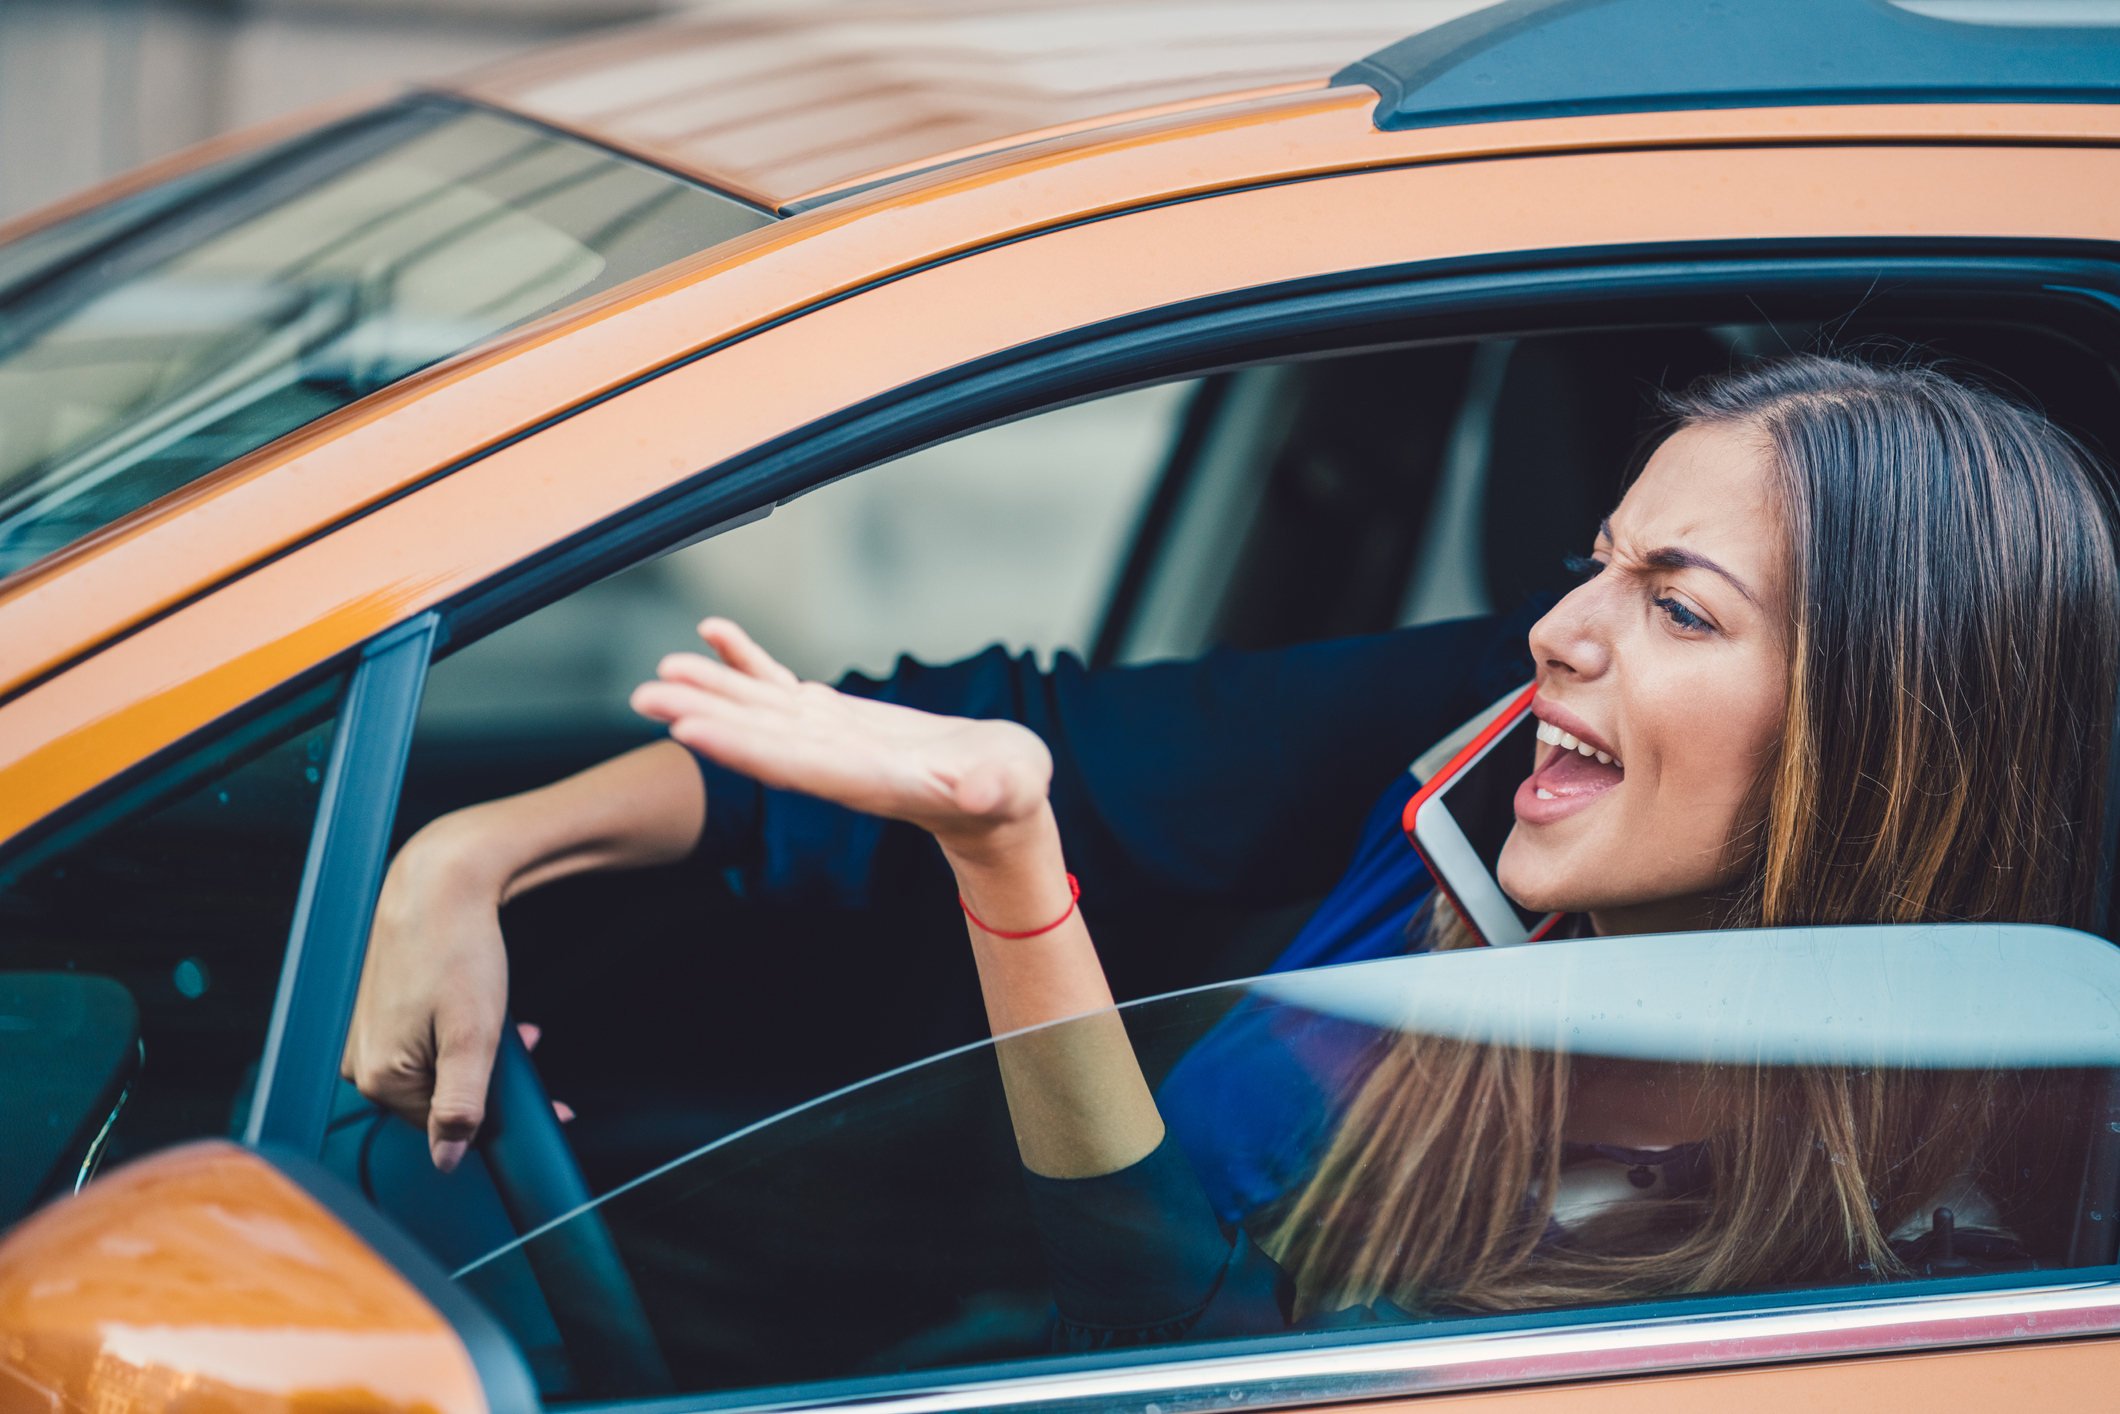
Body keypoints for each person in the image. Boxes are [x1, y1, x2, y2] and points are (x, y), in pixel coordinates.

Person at [608, 354, 2119, 1341]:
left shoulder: (1944, 1295)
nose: (1551, 632)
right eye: (1598, 562)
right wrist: (1007, 852)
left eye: (1679, 604)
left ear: (1876, 737)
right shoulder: (1471, 844)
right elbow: (1174, 1313)